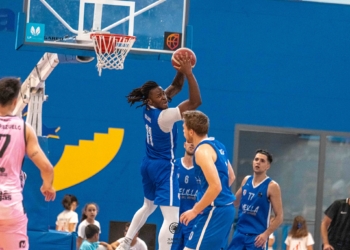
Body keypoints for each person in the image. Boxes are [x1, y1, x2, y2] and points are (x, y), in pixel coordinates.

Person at [118, 53, 201, 250]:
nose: (164, 97)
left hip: (148, 164)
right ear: (149, 100)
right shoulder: (165, 117)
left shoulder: (148, 108)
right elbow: (195, 102)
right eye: (159, 96)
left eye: (163, 93)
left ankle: (125, 244)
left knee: (148, 206)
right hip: (164, 168)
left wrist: (180, 70)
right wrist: (189, 74)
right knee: (172, 218)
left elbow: (176, 87)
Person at [0, 77, 56, 250]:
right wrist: (48, 186)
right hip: (11, 205)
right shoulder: (25, 129)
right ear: (16, 101)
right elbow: (47, 168)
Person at [180, 110, 236, 250]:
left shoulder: (201, 151)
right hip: (223, 209)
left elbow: (216, 186)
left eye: (184, 128)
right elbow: (231, 176)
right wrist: (208, 198)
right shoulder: (218, 145)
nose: (183, 131)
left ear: (191, 131)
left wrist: (195, 210)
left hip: (215, 210)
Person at [227, 149, 283, 250]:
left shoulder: (272, 186)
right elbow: (234, 202)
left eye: (262, 161)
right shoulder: (246, 180)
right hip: (239, 233)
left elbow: (279, 217)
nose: (258, 162)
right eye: (256, 159)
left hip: (257, 237)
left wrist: (266, 234)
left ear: (267, 166)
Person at [171, 142, 198, 250]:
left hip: (193, 220)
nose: (192, 144)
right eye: (189, 142)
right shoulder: (174, 165)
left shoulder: (202, 168)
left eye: (194, 142)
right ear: (184, 144)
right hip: (175, 219)